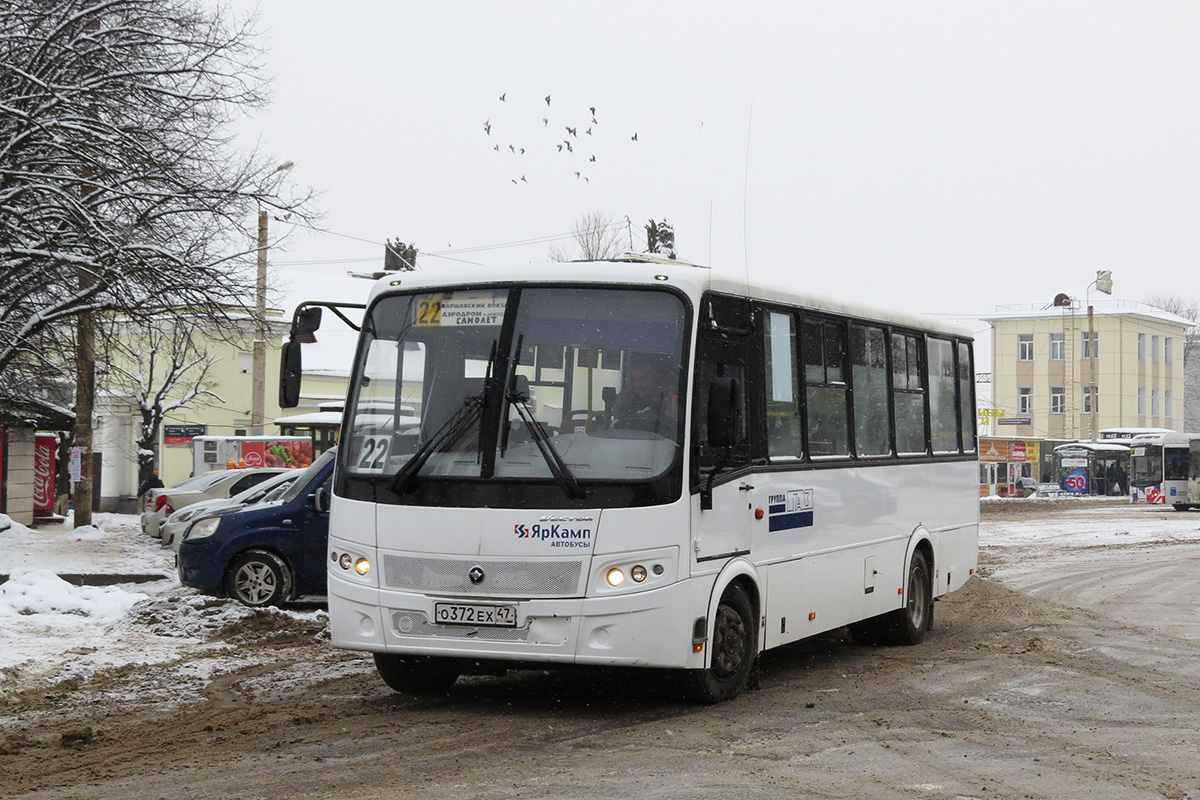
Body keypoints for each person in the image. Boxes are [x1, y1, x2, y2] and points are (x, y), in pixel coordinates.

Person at [608, 355, 679, 436]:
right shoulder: (625, 403)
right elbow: (616, 428)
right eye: (635, 378)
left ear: (657, 379)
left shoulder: (668, 402)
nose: (639, 384)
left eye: (644, 378)